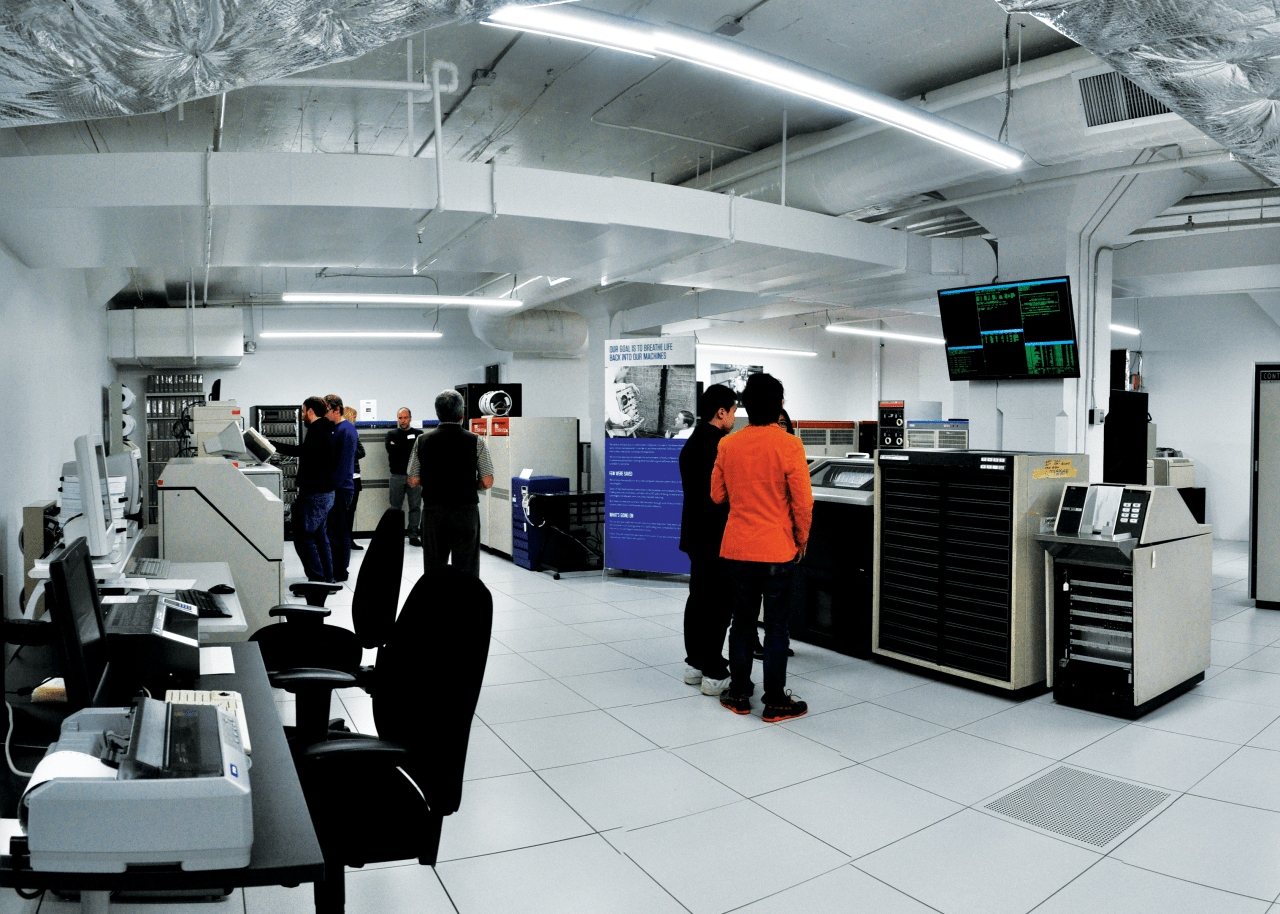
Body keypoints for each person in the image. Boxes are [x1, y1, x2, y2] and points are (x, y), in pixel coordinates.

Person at [711, 372, 813, 723]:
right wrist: (801, 539)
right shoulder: (790, 445)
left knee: (741, 623)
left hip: (737, 548)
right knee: (777, 626)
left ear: (746, 408)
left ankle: (739, 693)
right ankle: (774, 701)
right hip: (777, 549)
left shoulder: (728, 444)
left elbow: (717, 495)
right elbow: (802, 503)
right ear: (780, 406)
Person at [678, 384, 738, 697]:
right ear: (721, 412)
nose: (735, 416)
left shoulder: (691, 443)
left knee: (698, 597)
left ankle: (695, 664)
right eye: (733, 411)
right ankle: (714, 672)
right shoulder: (723, 446)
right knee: (718, 604)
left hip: (694, 534)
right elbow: (725, 495)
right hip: (717, 536)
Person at [406, 390, 494, 577]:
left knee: (434, 568)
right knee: (467, 569)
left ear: (437, 414)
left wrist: (433, 481)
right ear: (462, 414)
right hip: (466, 512)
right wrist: (471, 484)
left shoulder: (422, 441)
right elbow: (487, 481)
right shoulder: (476, 441)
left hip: (433, 512)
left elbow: (413, 480)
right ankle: (464, 605)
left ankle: (437, 604)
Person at [270, 396, 336, 582]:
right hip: (323, 493)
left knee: (303, 537)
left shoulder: (318, 431)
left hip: (315, 494)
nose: (301, 416)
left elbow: (301, 451)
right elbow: (305, 452)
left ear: (310, 411)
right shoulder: (324, 429)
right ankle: (327, 579)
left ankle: (317, 580)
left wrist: (270, 444)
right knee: (319, 537)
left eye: (303, 411)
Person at [325, 394, 358, 582]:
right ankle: (334, 567)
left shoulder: (347, 430)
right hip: (335, 487)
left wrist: (332, 486)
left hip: (341, 488)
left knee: (339, 531)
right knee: (333, 531)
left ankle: (341, 570)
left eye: (327, 410)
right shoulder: (336, 428)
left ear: (337, 410)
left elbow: (344, 464)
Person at [386, 407, 423, 546]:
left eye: (405, 417)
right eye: (400, 418)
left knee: (415, 507)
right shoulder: (391, 434)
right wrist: (408, 447)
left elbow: (420, 452)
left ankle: (413, 534)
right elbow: (391, 450)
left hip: (415, 476)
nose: (403, 420)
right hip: (396, 476)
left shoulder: (419, 434)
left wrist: (399, 447)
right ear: (397, 419)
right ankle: (395, 535)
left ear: (410, 418)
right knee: (395, 508)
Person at [342, 405, 366, 552]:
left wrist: (349, 451)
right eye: (354, 417)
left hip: (355, 476)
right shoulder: (342, 432)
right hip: (345, 478)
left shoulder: (354, 433)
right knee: (343, 511)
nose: (356, 420)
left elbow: (362, 452)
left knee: (351, 511)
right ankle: (344, 539)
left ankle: (349, 539)